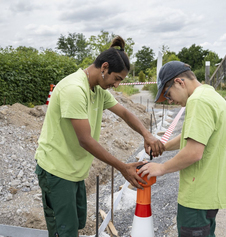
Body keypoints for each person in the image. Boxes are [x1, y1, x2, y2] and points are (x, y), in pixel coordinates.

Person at [34, 36, 165, 237]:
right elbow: (85, 140)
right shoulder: (74, 89)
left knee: (74, 224)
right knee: (63, 231)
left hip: (74, 171)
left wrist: (147, 135)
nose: (118, 85)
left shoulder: (97, 89)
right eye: (117, 79)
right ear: (104, 68)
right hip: (56, 171)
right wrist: (123, 167)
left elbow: (125, 113)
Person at [138, 61, 226, 237]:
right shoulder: (210, 96)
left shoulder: (197, 101)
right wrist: (163, 147)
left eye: (168, 93)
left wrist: (161, 168)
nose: (170, 100)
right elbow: (192, 136)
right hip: (210, 192)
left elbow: (194, 152)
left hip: (197, 196)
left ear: (179, 82)